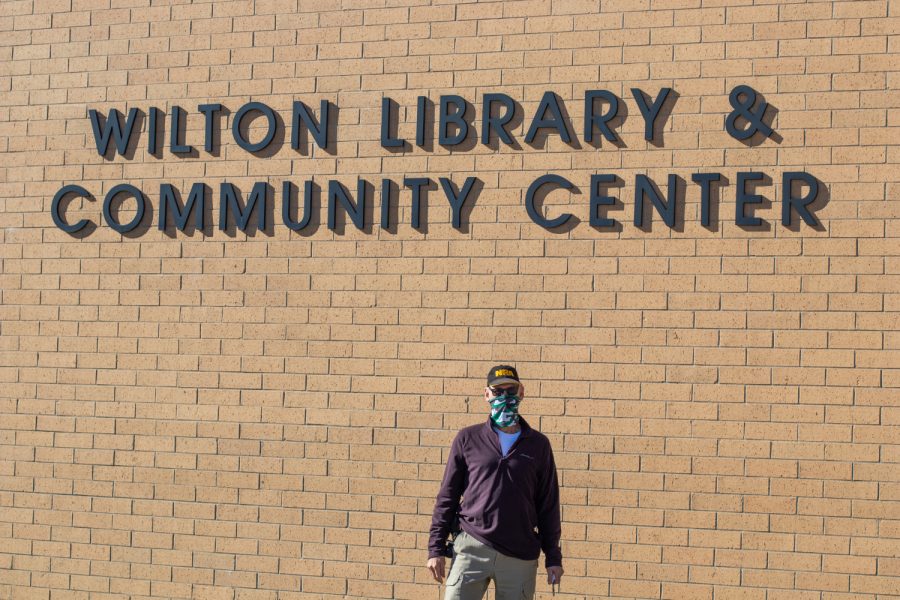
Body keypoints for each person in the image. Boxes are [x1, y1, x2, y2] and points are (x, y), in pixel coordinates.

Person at [427, 365, 564, 600]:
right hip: (471, 547)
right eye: (497, 392)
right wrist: (435, 548)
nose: (504, 397)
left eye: (510, 391)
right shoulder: (467, 438)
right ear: (487, 394)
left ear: (521, 392)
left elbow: (548, 504)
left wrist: (553, 557)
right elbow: (447, 496)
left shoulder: (538, 444)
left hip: (519, 555)